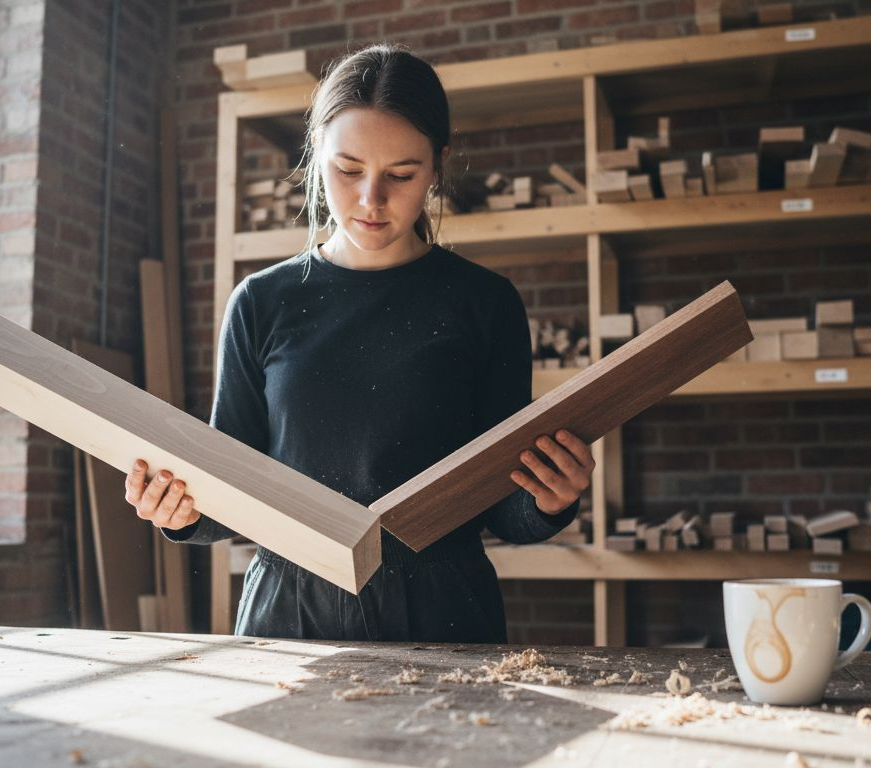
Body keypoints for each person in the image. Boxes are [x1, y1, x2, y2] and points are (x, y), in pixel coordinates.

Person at [124, 43, 595, 643]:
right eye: (348, 170)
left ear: (438, 165)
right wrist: (179, 511)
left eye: (402, 175)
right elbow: (228, 493)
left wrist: (551, 499)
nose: (371, 200)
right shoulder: (260, 303)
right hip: (288, 612)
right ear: (315, 152)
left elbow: (505, 510)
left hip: (443, 608)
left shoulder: (485, 303)